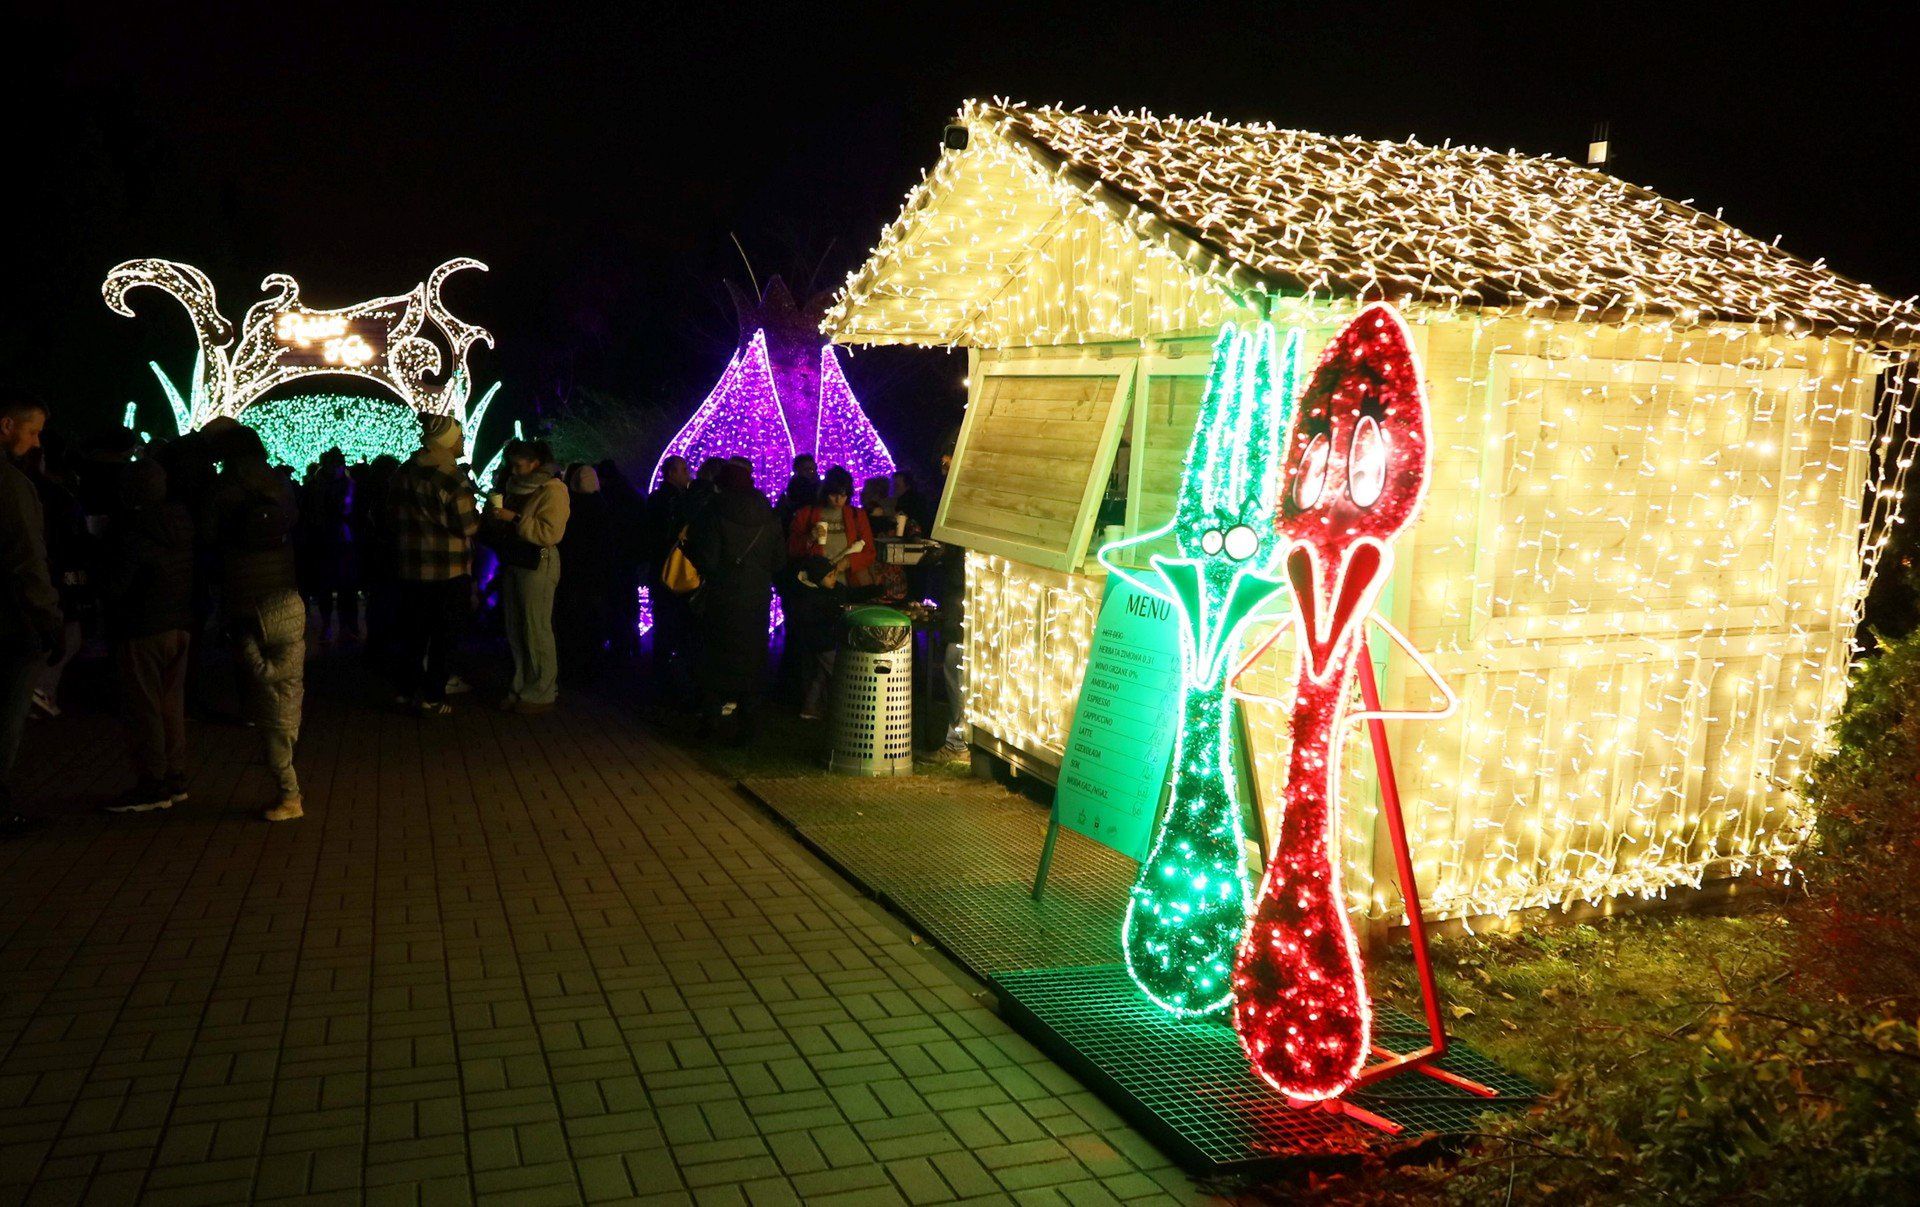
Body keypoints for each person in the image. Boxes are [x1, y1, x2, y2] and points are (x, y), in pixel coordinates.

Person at [204, 426, 306, 821]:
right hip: (281, 585)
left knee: (251, 661)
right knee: (284, 670)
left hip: (242, 584)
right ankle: (281, 740)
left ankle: (270, 744)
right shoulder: (279, 483)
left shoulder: (224, 486)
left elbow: (210, 534)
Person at [99, 459, 194, 813]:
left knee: (145, 708)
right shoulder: (180, 521)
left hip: (142, 625)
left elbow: (118, 583)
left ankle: (152, 784)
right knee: (171, 706)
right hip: (178, 622)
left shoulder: (131, 528)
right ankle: (175, 777)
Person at [387, 415, 479, 715]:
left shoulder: (404, 471)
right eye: (459, 436)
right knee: (444, 635)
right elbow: (466, 526)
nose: (462, 440)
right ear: (448, 441)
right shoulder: (451, 477)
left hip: (411, 567)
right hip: (448, 570)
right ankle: (433, 696)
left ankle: (405, 689)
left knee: (413, 632)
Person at [686, 461, 783, 743]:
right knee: (752, 659)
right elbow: (778, 560)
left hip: (722, 596)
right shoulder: (768, 513)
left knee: (713, 658)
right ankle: (749, 726)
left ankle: (711, 721)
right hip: (756, 598)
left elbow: (707, 559)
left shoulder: (714, 511)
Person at [0, 393, 59, 835]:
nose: (36, 443)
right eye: (33, 431)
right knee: (7, 716)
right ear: (7, 426)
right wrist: (48, 619)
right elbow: (27, 559)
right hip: (12, 621)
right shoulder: (11, 485)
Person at [486, 440, 569, 714]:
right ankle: (521, 684)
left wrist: (514, 518)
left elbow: (550, 533)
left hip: (537, 562)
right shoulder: (513, 486)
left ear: (535, 463)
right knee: (516, 626)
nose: (514, 470)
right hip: (515, 561)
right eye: (512, 465)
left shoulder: (553, 490)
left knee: (536, 627)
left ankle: (542, 690)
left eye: (519, 465)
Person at [555, 463, 612, 678]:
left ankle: (572, 663)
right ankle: (591, 665)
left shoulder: (571, 508)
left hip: (572, 573)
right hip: (595, 574)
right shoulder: (603, 508)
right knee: (592, 619)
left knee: (573, 619)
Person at [644, 455, 695, 695]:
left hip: (660, 568)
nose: (688, 474)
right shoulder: (674, 500)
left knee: (665, 621)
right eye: (684, 469)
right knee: (671, 622)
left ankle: (662, 672)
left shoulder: (659, 498)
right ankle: (666, 677)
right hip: (671, 569)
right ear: (671, 473)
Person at [299, 447, 358, 641]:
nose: (336, 468)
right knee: (336, 586)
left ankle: (337, 626)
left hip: (333, 539)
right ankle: (337, 626)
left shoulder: (315, 485)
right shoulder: (342, 485)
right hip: (332, 539)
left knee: (340, 587)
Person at [788, 468, 877, 590]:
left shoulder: (856, 515)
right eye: (834, 495)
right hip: (815, 586)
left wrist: (848, 562)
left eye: (843, 495)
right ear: (825, 492)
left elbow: (870, 551)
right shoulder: (806, 514)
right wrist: (810, 538)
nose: (838, 500)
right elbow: (792, 549)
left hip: (850, 584)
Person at [776, 454, 819, 530]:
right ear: (797, 470)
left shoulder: (817, 486)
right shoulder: (798, 489)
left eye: (813, 469)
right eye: (806, 469)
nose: (811, 472)